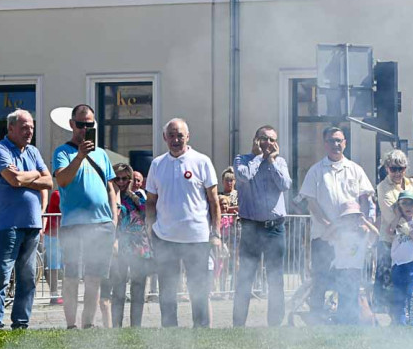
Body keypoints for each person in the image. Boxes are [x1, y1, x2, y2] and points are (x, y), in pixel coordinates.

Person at [145, 118, 221, 328]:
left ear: (188, 136)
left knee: (199, 290)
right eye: (171, 135)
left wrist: (215, 233)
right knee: (167, 291)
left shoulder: (202, 161)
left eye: (180, 135)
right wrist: (150, 228)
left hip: (197, 238)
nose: (176, 140)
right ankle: (170, 333)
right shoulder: (157, 164)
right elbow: (151, 201)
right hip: (165, 238)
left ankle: (201, 332)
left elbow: (214, 201)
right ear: (164, 138)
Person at [52, 104, 118, 330]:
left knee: (94, 278)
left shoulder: (101, 154)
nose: (84, 129)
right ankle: (71, 326)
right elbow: (62, 180)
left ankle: (88, 324)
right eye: (80, 125)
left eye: (89, 125)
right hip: (75, 225)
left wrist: (113, 222)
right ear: (72, 125)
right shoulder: (62, 152)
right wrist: (79, 156)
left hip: (102, 225)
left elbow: (110, 188)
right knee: (71, 277)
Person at [0, 109, 52, 329]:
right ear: (11, 128)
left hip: (32, 223)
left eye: (32, 127)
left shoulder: (33, 151)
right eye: (24, 127)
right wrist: (35, 174)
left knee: (28, 278)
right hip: (7, 224)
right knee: (1, 277)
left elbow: (50, 181)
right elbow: (14, 180)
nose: (29, 131)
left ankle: (21, 322)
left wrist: (25, 177)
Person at [298, 127, 374, 318]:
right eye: (331, 141)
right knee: (321, 279)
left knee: (348, 280)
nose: (336, 144)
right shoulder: (315, 171)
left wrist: (362, 224)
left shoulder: (356, 170)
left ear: (345, 143)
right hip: (323, 237)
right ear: (325, 144)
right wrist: (330, 227)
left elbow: (365, 199)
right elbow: (312, 203)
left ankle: (346, 319)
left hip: (350, 239)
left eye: (339, 140)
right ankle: (317, 319)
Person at [232, 125, 292, 327]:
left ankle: (275, 325)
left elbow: (285, 185)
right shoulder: (242, 159)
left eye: (272, 139)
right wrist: (258, 157)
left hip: (275, 228)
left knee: (276, 278)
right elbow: (245, 176)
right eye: (264, 139)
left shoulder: (280, 162)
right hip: (251, 227)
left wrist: (272, 161)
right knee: (245, 277)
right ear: (255, 140)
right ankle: (238, 325)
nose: (268, 143)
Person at [376, 149, 413, 323]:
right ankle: (397, 322)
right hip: (392, 243)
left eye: (402, 168)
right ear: (386, 168)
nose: (398, 172)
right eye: (394, 168)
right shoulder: (382, 187)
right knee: (393, 290)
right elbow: (392, 215)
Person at [109, 163, 152, 327]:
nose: (121, 182)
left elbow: (147, 212)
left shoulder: (138, 198)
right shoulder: (110, 199)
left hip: (139, 247)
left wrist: (131, 194)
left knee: (138, 288)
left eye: (125, 178)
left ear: (131, 179)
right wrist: (116, 194)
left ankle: (136, 326)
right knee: (118, 289)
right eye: (117, 178)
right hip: (119, 247)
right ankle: (116, 326)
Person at [327, 200, 378, 324]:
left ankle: (353, 321)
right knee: (343, 296)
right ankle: (342, 320)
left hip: (355, 269)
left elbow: (376, 233)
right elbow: (325, 235)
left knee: (353, 295)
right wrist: (337, 224)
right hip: (340, 269)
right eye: (348, 217)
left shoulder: (362, 234)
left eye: (354, 217)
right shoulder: (339, 234)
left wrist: (365, 221)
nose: (351, 220)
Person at [386, 190, 413, 325]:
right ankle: (400, 323)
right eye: (404, 203)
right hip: (398, 264)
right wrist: (398, 215)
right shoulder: (398, 221)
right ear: (399, 205)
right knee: (399, 296)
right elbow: (390, 231)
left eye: (411, 203)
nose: (408, 206)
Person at [42, 189, 63, 305]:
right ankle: (54, 295)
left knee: (66, 267)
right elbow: (66, 207)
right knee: (54, 267)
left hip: (65, 235)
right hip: (53, 235)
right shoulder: (57, 194)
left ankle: (66, 294)